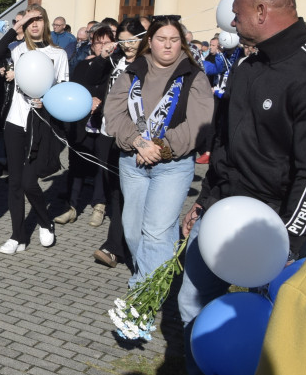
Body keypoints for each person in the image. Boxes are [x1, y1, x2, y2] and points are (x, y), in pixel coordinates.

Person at [143, 0, 306, 375]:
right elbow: (225, 146)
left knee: (284, 325)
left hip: (276, 227)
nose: (232, 20)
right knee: (192, 301)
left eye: (237, 12)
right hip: (222, 210)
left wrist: (289, 239)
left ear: (263, 12)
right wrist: (204, 200)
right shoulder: (245, 62)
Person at [104, 16, 212, 287]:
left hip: (172, 167)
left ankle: (143, 299)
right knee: (133, 231)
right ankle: (150, 280)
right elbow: (113, 114)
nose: (168, 45)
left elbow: (198, 125)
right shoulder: (133, 71)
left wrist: (160, 148)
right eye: (161, 39)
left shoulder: (194, 76)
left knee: (156, 232)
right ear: (149, 41)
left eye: (174, 40)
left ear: (182, 43)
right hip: (132, 162)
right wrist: (139, 143)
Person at [0, 5, 69, 254]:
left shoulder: (58, 54)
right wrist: (16, 26)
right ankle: (18, 236)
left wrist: (46, 100)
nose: (34, 24)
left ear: (46, 23)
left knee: (29, 181)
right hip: (15, 122)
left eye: (38, 20)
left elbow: (63, 89)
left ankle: (44, 220)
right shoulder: (17, 49)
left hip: (41, 124)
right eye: (29, 21)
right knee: (14, 182)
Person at [91, 18, 143, 268]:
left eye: (132, 39)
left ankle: (115, 247)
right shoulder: (117, 61)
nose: (128, 44)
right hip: (106, 133)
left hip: (132, 136)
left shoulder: (147, 64)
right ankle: (120, 244)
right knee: (115, 191)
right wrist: (103, 56)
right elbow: (90, 76)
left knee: (126, 193)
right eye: (123, 39)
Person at [54, 25, 117, 226]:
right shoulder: (82, 66)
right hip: (82, 123)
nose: (102, 46)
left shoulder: (116, 66)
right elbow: (76, 90)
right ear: (92, 45)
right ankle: (71, 207)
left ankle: (99, 206)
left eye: (107, 42)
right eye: (98, 42)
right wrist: (87, 100)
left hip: (104, 124)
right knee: (76, 165)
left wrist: (101, 103)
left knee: (102, 165)